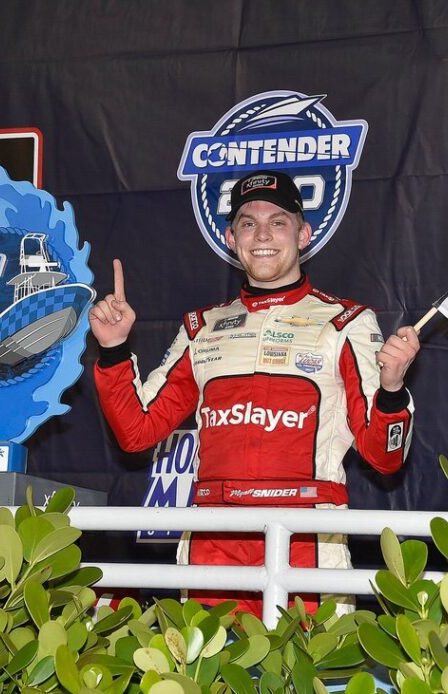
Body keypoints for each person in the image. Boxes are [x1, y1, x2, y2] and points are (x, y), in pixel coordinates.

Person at [89, 169, 419, 614]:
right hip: (213, 540)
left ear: (304, 234)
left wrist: (394, 389)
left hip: (305, 539)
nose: (262, 234)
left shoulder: (346, 322)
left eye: (277, 221)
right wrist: (113, 351)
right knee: (204, 680)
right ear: (230, 238)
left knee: (305, 680)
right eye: (248, 223)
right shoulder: (200, 328)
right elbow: (136, 432)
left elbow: (385, 457)